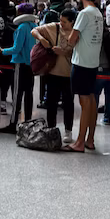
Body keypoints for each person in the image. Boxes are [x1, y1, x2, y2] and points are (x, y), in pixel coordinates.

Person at [64, 0, 101, 153]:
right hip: (93, 61)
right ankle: (90, 139)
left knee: (84, 102)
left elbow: (72, 39)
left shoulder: (84, 13)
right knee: (91, 100)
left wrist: (70, 39)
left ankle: (79, 142)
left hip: (81, 62)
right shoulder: (98, 13)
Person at [31, 8, 76, 143]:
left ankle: (68, 130)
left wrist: (64, 52)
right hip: (52, 73)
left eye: (64, 22)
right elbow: (34, 31)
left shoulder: (77, 32)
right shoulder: (54, 27)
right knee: (51, 103)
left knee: (68, 104)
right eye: (60, 20)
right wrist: (42, 39)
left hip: (69, 74)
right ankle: (51, 129)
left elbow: (79, 52)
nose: (61, 23)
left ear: (72, 22)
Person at [0, 3, 38, 133]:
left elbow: (16, 48)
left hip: (20, 64)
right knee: (29, 94)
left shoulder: (22, 27)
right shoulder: (34, 26)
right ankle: (28, 122)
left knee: (17, 94)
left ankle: (13, 123)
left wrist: (2, 50)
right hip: (31, 65)